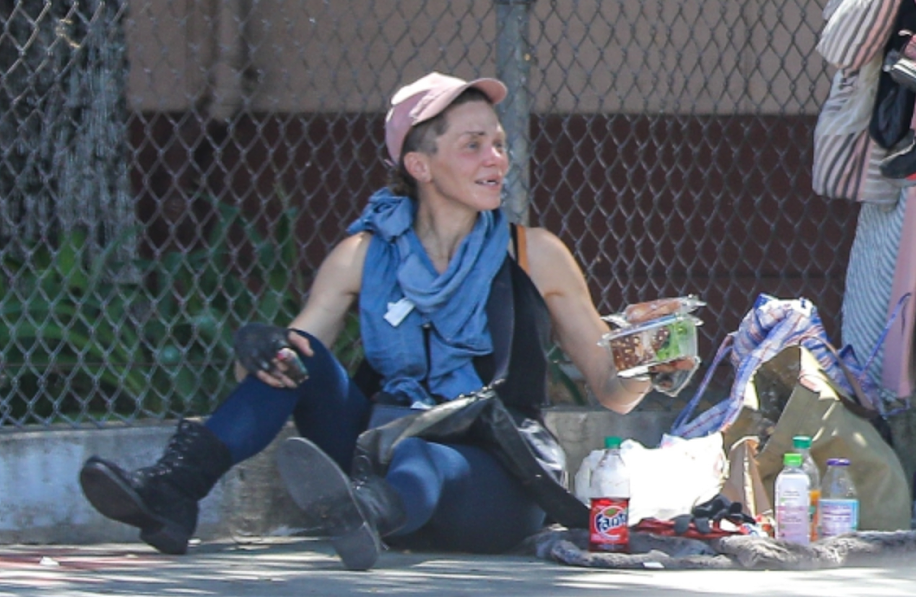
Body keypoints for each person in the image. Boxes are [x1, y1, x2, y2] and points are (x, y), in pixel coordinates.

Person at [78, 71, 654, 569]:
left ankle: (365, 510)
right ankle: (173, 493)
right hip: (380, 445)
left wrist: (650, 358)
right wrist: (259, 346)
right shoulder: (361, 254)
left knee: (420, 455)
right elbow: (282, 367)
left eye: (499, 144)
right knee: (297, 356)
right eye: (474, 144)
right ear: (419, 165)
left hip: (493, 480)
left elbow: (614, 391)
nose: (497, 159)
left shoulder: (535, 252)